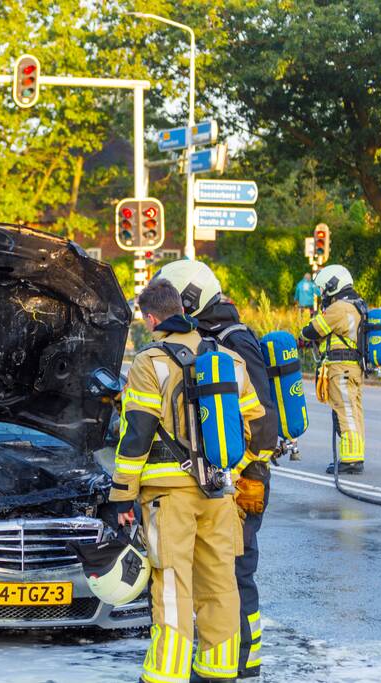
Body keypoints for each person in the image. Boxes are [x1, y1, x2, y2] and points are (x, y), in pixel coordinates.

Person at [110, 278, 267, 683]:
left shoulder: (150, 362)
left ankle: (166, 674)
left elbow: (137, 433)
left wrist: (121, 495)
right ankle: (218, 669)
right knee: (220, 582)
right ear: (181, 307)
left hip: (169, 498)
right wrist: (233, 467)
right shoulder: (229, 360)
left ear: (151, 317)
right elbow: (256, 426)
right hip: (219, 494)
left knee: (173, 585)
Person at [155, 260, 279, 679]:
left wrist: (238, 470)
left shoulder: (233, 341)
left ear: (188, 299)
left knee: (234, 573)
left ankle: (244, 662)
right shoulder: (207, 338)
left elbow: (262, 424)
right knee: (213, 573)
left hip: (242, 478)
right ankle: (222, 659)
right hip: (218, 478)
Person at [301, 264, 365, 475]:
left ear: (332, 285)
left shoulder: (339, 308)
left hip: (342, 368)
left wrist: (303, 332)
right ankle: (355, 455)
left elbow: (313, 330)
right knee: (354, 412)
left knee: (345, 411)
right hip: (353, 367)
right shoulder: (356, 305)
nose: (323, 293)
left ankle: (351, 460)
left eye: (324, 289)